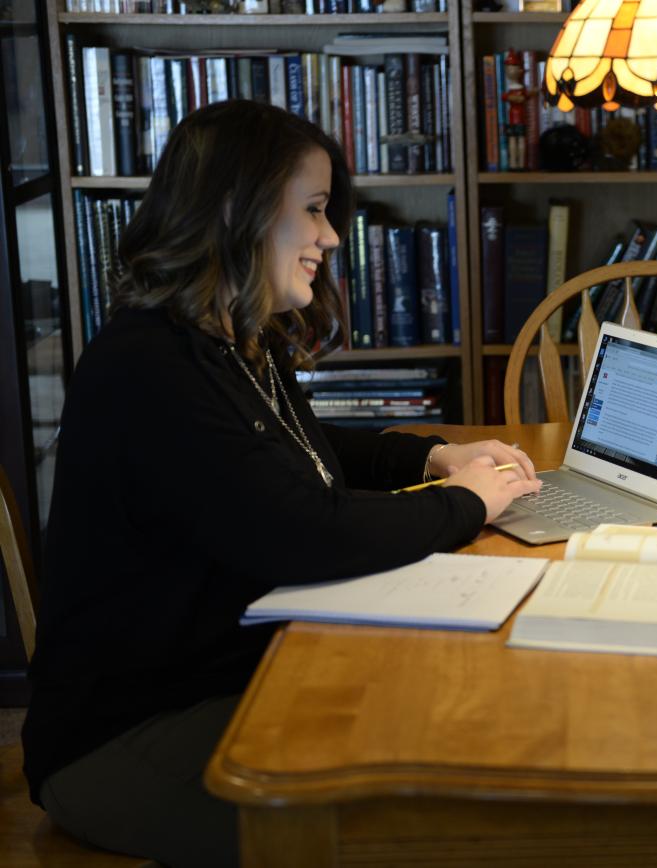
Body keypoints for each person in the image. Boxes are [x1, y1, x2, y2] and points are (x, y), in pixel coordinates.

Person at [20, 100, 541, 867]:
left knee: (454, 729)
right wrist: (468, 502)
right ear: (239, 209)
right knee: (430, 822)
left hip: (226, 679)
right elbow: (307, 532)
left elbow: (304, 450)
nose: (331, 237)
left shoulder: (227, 340)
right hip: (123, 739)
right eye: (316, 209)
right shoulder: (150, 367)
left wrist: (432, 458)